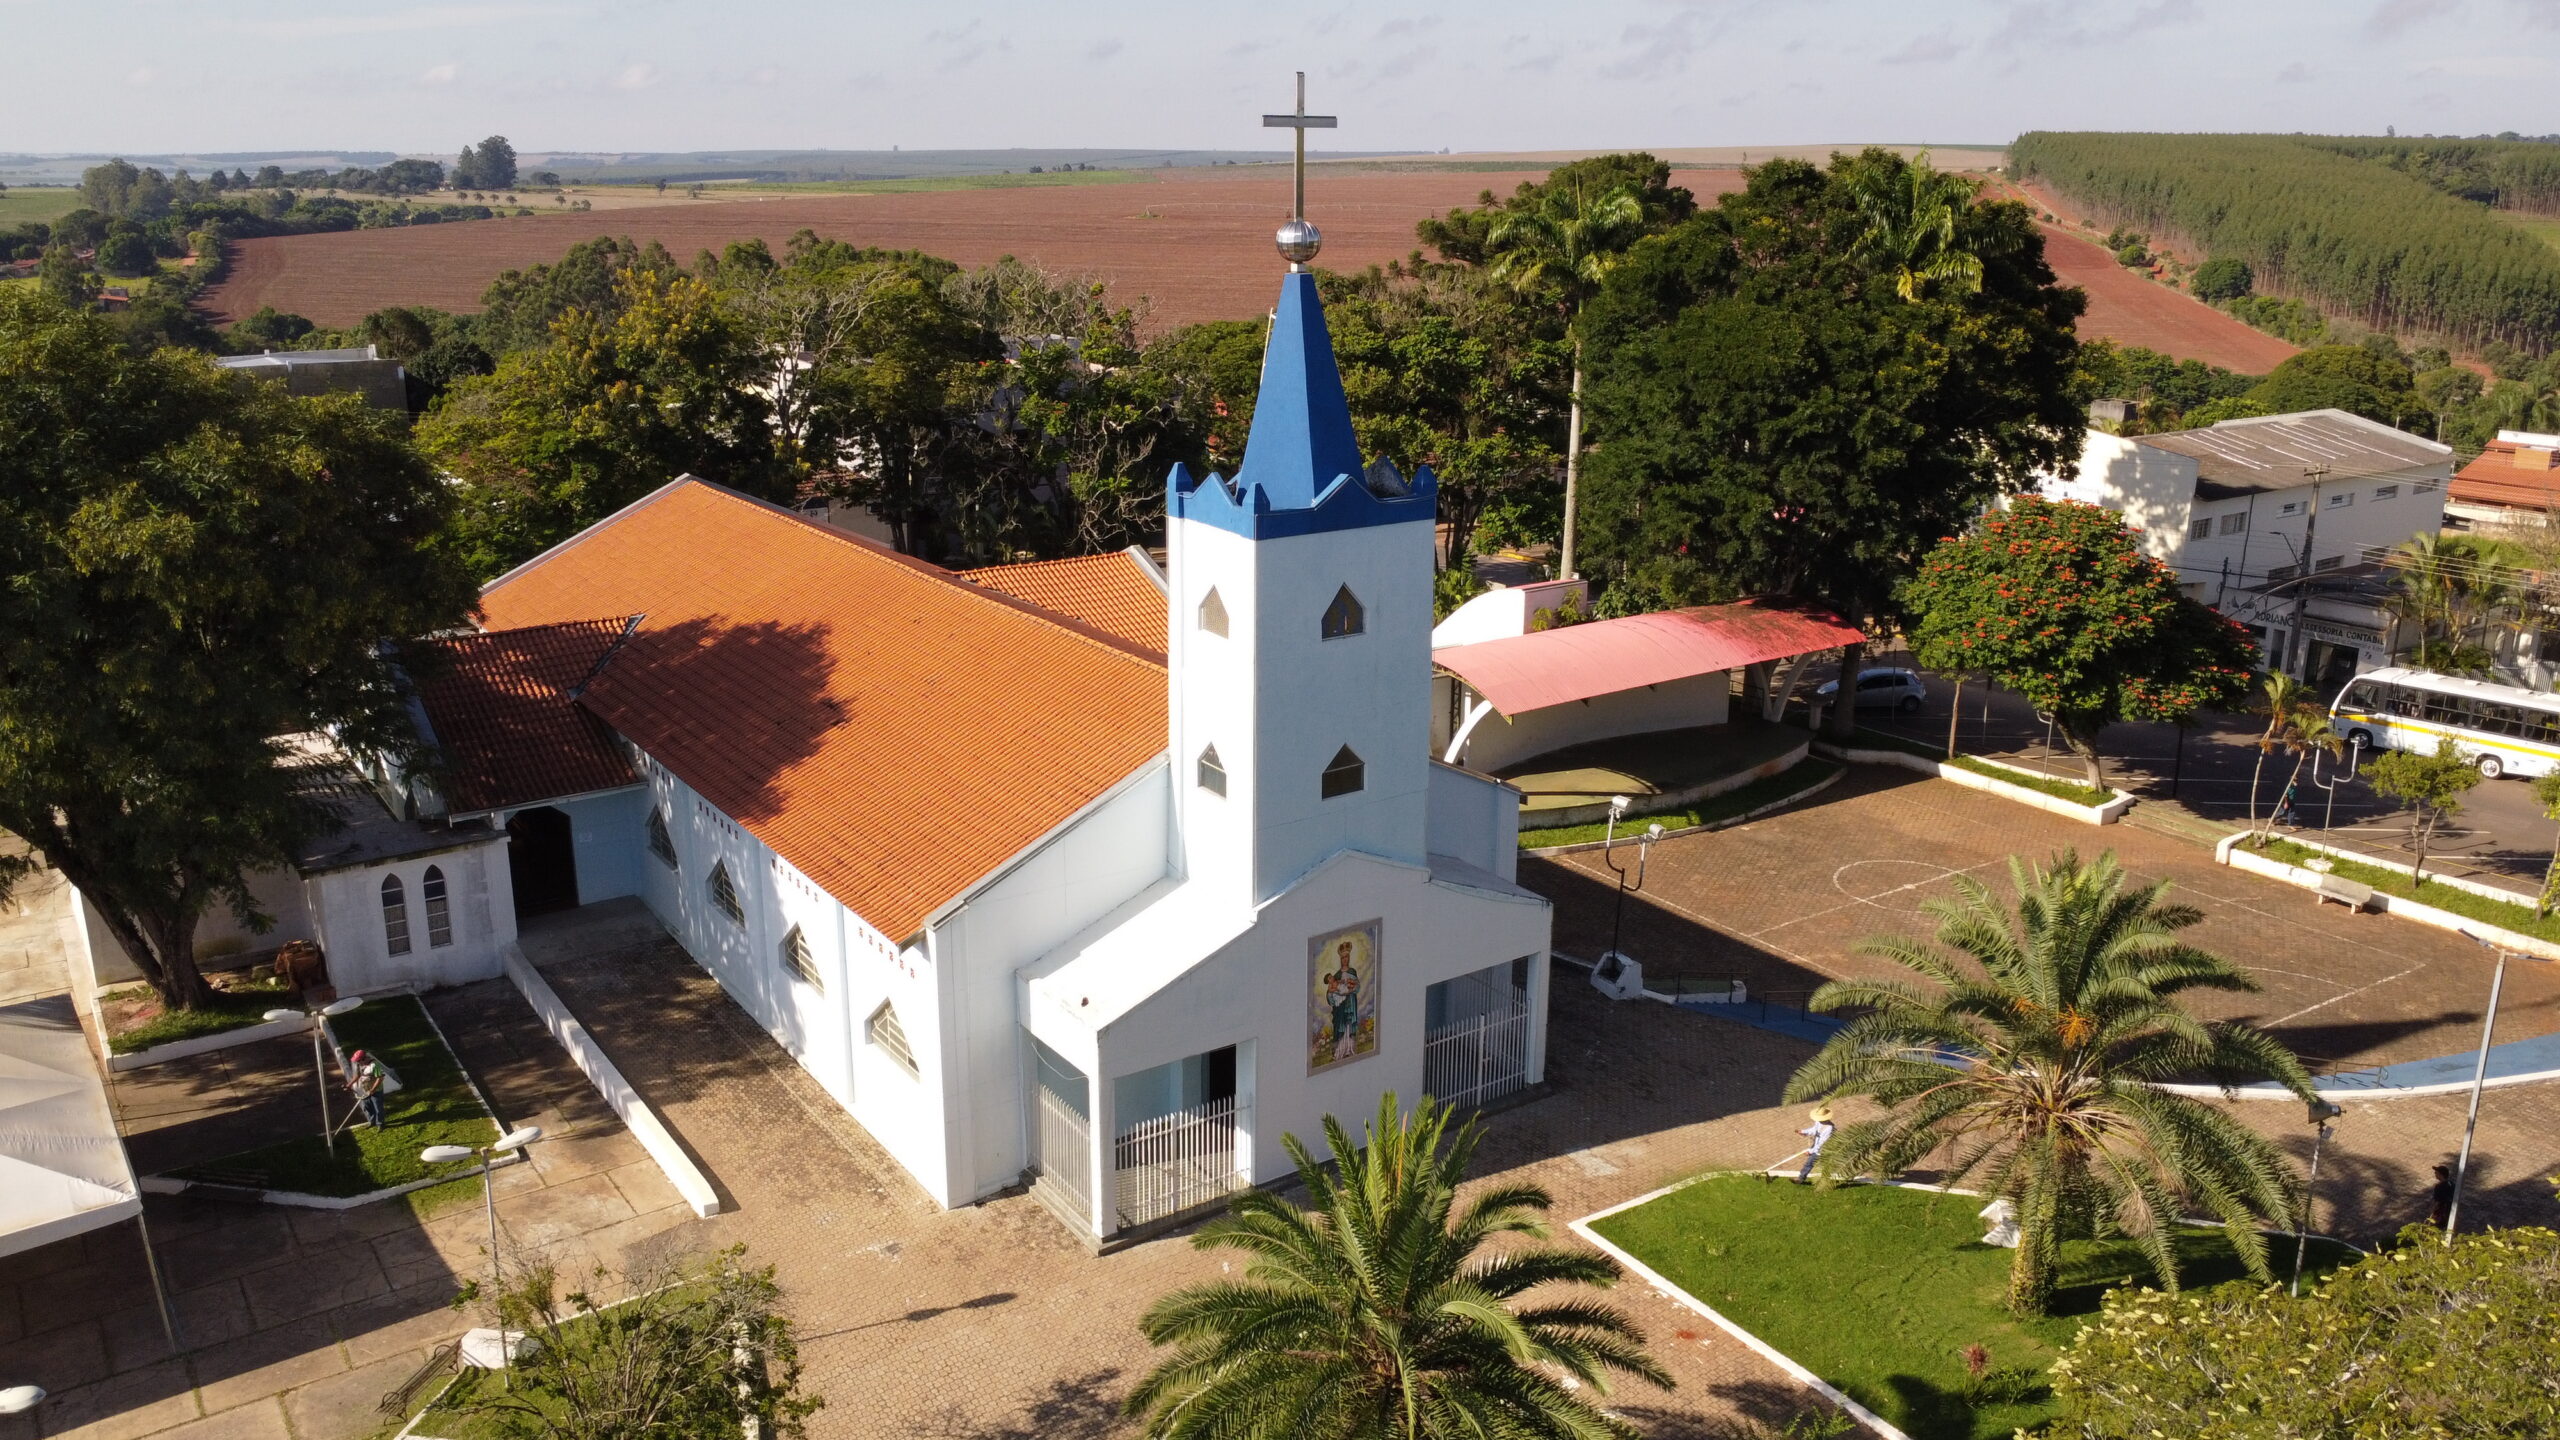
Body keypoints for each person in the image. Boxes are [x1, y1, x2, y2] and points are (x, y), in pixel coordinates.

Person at [348, 1048, 386, 1131]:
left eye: (358, 1061)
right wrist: (349, 1085)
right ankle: (372, 1121)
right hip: (365, 1090)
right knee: (368, 1107)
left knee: (378, 1108)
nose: (358, 1063)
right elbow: (357, 1075)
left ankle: (380, 1124)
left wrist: (373, 1090)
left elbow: (379, 1078)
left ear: (364, 1059)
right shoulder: (360, 1065)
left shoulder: (374, 1065)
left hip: (376, 1091)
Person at [1796, 1105, 1835, 1183]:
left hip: (1823, 1149)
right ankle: (1801, 1178)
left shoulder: (1829, 1128)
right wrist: (1804, 1132)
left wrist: (1810, 1151)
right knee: (1811, 1163)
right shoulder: (1819, 1122)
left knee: (1812, 1163)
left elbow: (1822, 1143)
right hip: (1816, 1147)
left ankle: (1801, 1179)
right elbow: (1814, 1130)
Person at [2430, 1162, 2456, 1230]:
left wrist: (2432, 1214)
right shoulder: (2452, 1184)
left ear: (2441, 1175)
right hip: (2450, 1211)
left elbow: (2437, 1202)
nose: (2435, 1173)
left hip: (2440, 1213)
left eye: (2436, 1173)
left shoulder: (2439, 1187)